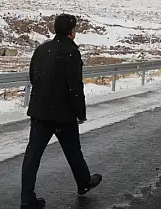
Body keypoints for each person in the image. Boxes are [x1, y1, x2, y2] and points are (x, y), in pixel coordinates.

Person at [20, 13, 102, 208]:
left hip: (40, 112)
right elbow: (75, 86)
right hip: (63, 113)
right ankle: (83, 183)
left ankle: (27, 198)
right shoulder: (71, 52)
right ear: (71, 32)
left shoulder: (41, 49)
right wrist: (80, 113)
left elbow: (33, 77)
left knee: (33, 155)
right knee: (73, 150)